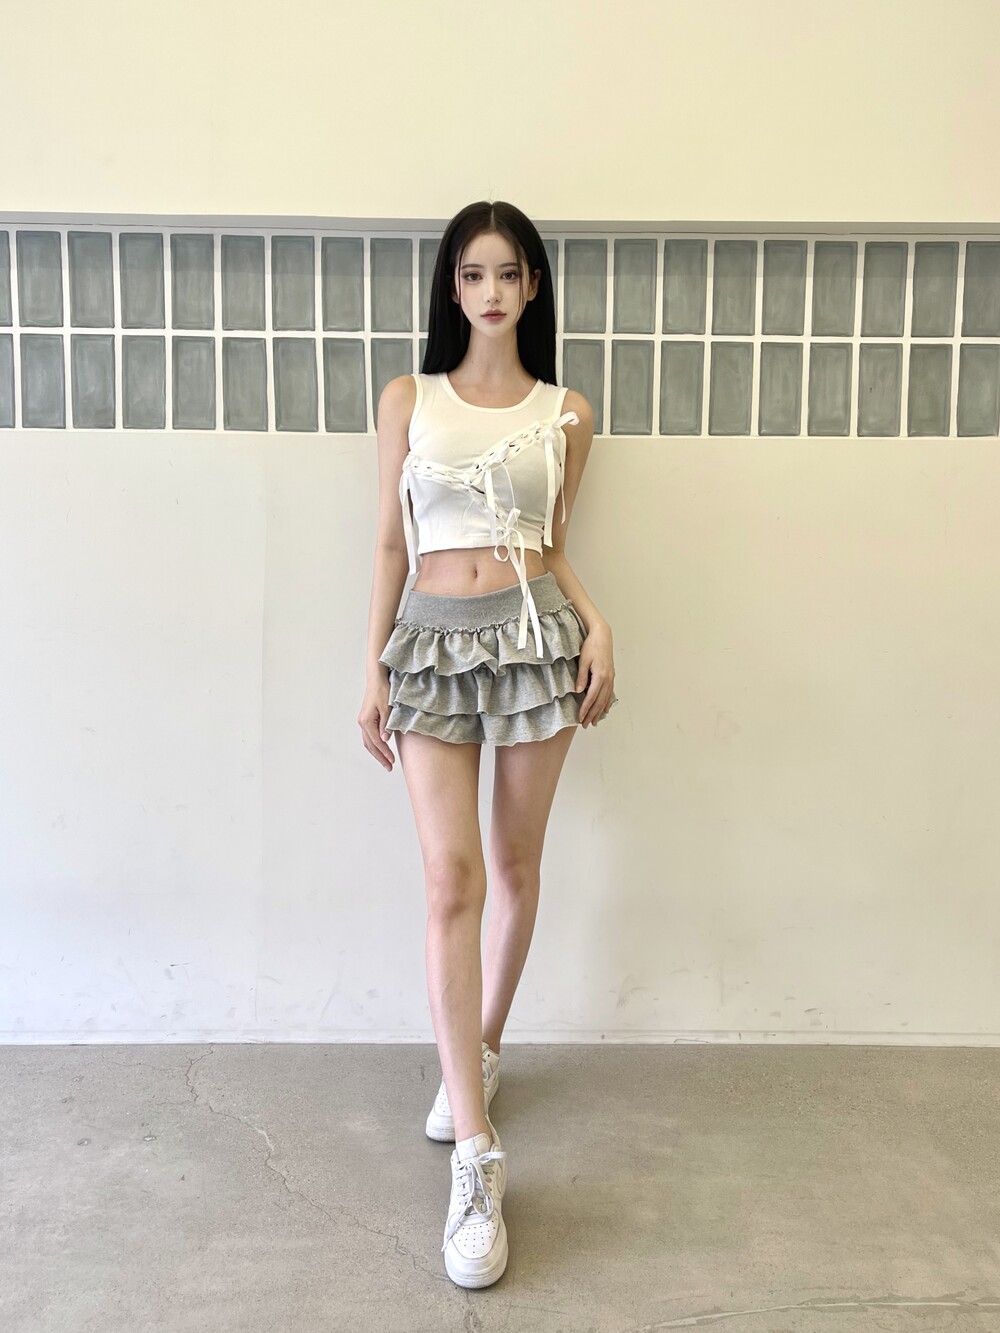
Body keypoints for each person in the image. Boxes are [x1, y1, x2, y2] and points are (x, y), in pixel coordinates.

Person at [358, 200, 619, 1289]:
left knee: (513, 865)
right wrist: (371, 665)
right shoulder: (407, 398)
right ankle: (475, 1152)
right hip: (428, 641)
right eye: (473, 274)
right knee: (449, 879)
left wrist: (598, 623)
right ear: (452, 288)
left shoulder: (568, 413)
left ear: (533, 284)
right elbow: (391, 541)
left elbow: (551, 546)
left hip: (533, 639)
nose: (492, 291)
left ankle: (482, 1050)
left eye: (509, 273)